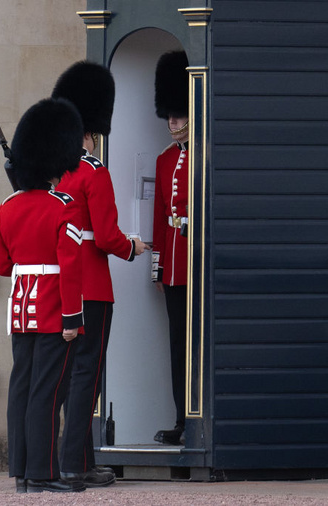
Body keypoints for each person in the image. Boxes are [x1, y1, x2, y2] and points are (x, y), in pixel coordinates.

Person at [52, 61, 151, 486]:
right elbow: (107, 237)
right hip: (92, 287)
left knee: (70, 376)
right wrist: (134, 246)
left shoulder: (55, 173)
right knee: (87, 379)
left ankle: (79, 461)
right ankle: (74, 463)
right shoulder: (94, 172)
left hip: (60, 287)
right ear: (90, 131)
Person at [0, 98, 86, 494]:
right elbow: (71, 268)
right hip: (52, 311)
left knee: (21, 389)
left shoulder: (7, 208)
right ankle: (43, 473)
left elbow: (2, 266)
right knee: (46, 393)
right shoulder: (61, 207)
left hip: (20, 312)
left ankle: (21, 472)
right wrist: (72, 320)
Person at [151, 50, 190, 446]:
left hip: (198, 262)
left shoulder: (204, 155)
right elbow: (160, 219)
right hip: (175, 267)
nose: (173, 120)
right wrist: (158, 269)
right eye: (170, 115)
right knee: (177, 343)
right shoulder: (165, 161)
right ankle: (182, 418)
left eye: (178, 113)